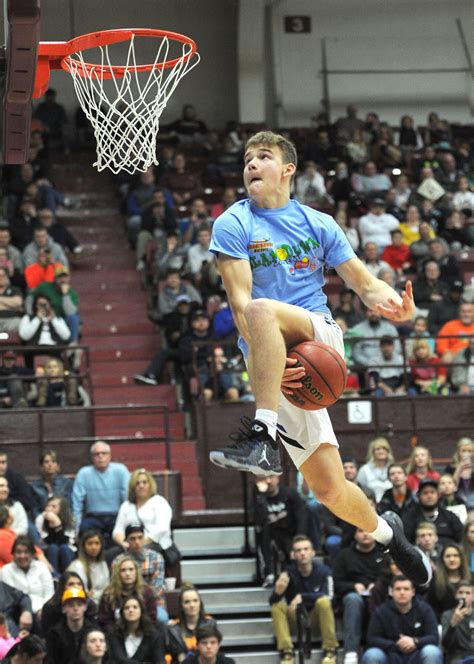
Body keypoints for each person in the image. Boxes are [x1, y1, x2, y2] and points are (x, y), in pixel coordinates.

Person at [208, 130, 431, 589]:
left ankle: (261, 435)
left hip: (318, 339)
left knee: (263, 308)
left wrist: (396, 306)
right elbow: (238, 302)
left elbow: (365, 284)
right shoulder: (233, 223)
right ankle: (392, 535)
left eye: (263, 157)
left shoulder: (319, 223)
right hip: (269, 362)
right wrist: (264, 365)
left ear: (288, 169)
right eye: (248, 159)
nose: (251, 164)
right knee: (328, 489)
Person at [270, 534, 338, 664]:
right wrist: (277, 592)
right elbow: (272, 602)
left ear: (313, 552)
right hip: (295, 618)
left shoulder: (324, 571)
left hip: (316, 619)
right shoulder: (288, 573)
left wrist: (303, 597)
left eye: (306, 549)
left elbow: (331, 598)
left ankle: (330, 650)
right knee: (277, 606)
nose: (302, 553)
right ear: (293, 555)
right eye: (298, 550)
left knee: (323, 602)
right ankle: (287, 653)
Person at [333, 529, 391, 664]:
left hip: (378, 596)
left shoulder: (384, 554)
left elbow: (390, 578)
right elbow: (337, 583)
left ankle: (379, 647)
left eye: (369, 530)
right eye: (360, 530)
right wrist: (353, 586)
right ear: (354, 534)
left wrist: (377, 586)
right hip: (352, 598)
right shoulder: (344, 555)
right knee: (353, 599)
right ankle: (351, 652)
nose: (365, 534)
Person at [361, 575, 442, 664]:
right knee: (372, 655)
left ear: (413, 592)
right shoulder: (381, 612)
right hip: (389, 653)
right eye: (398, 589)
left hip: (417, 653)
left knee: (432, 652)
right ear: (391, 592)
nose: (402, 592)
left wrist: (415, 642)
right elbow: (372, 638)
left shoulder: (425, 609)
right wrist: (396, 645)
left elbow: (434, 637)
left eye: (406, 589)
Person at [253, 475, 307, 588]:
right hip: (271, 535)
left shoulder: (290, 494)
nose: (268, 481)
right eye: (264, 478)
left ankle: (295, 574)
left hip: (290, 532)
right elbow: (259, 519)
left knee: (292, 545)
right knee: (263, 532)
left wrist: (298, 541)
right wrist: (262, 496)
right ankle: (269, 573)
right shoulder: (258, 498)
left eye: (271, 477)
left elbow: (302, 518)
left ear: (277, 478)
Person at [71, 441, 129, 543]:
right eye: (96, 454)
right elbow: (76, 503)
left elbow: (127, 498)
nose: (100, 456)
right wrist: (76, 527)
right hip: (93, 517)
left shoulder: (121, 471)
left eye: (104, 453)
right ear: (92, 457)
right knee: (84, 529)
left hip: (116, 516)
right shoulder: (84, 473)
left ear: (110, 456)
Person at [112, 469, 174, 561]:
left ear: (150, 484)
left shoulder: (159, 502)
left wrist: (141, 542)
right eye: (137, 483)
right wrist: (123, 543)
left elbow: (162, 528)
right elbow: (118, 530)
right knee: (110, 554)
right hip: (130, 545)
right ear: (133, 487)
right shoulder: (126, 506)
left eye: (144, 482)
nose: (141, 486)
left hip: (155, 543)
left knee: (142, 555)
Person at [112, 524, 166, 621]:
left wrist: (139, 604)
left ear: (144, 538)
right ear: (126, 541)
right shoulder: (118, 561)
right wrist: (132, 604)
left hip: (152, 603)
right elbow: (116, 587)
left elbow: (158, 588)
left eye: (140, 538)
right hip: (125, 605)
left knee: (162, 618)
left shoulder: (156, 558)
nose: (137, 542)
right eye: (132, 539)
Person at [0, 536, 54, 620]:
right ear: (13, 554)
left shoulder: (41, 567)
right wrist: (28, 611)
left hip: (43, 611)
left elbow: (49, 594)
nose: (22, 556)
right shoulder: (5, 571)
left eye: (26, 552)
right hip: (19, 613)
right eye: (18, 552)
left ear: (32, 554)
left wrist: (43, 610)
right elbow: (11, 599)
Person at [97, 556, 156, 630]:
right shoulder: (108, 594)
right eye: (123, 570)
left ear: (136, 572)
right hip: (115, 635)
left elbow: (151, 617)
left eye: (131, 570)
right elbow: (104, 621)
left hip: (141, 632)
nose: (127, 573)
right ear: (117, 573)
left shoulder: (146, 592)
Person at [403, 479, 464, 545]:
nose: (429, 496)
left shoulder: (449, 516)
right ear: (419, 496)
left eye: (432, 492)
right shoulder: (410, 517)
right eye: (425, 493)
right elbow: (406, 542)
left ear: (438, 495)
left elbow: (461, 538)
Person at [106, 596, 166, 663]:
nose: (131, 610)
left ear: (141, 611)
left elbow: (160, 661)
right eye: (127, 608)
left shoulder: (153, 635)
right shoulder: (114, 633)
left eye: (135, 607)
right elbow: (118, 659)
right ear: (122, 613)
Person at [29, 266, 80, 344]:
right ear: (55, 278)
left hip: (60, 320)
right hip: (42, 317)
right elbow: (30, 298)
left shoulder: (72, 294)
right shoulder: (45, 286)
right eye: (60, 277)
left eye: (65, 277)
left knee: (74, 318)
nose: (63, 280)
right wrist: (31, 314)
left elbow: (70, 313)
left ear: (69, 278)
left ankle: (72, 346)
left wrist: (65, 295)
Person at [45, 587, 97, 664]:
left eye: (79, 605)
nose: (75, 608)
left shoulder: (94, 631)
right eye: (71, 605)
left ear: (85, 607)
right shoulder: (54, 634)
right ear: (63, 609)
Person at [166, 584, 215, 664]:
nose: (192, 605)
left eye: (195, 600)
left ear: (200, 603)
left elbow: (212, 653)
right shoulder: (173, 628)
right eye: (187, 602)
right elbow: (180, 657)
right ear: (181, 606)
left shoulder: (210, 623)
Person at [41, 571, 97, 635]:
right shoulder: (50, 607)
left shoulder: (90, 605)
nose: (76, 587)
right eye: (71, 584)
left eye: (79, 584)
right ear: (62, 587)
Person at [425, 544, 471, 620]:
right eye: (448, 556)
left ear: (461, 558)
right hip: (444, 624)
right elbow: (432, 609)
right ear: (442, 559)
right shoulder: (435, 582)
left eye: (456, 555)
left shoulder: (471, 578)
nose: (452, 559)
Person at [34, 496, 75, 575]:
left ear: (62, 509)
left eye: (53, 506)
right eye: (48, 506)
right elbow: (46, 541)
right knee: (53, 547)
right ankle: (54, 576)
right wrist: (54, 525)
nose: (49, 509)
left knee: (64, 548)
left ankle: (69, 576)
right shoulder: (40, 519)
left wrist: (58, 526)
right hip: (47, 549)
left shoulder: (71, 519)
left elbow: (65, 541)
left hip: (67, 549)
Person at [67, 531, 109, 603]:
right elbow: (82, 593)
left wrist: (95, 594)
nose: (94, 547)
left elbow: (107, 589)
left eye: (97, 543)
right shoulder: (77, 566)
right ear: (83, 546)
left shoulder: (103, 564)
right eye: (90, 544)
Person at [30, 450, 73, 518]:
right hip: (42, 521)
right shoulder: (34, 486)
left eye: (53, 461)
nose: (50, 464)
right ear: (41, 467)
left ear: (58, 466)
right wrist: (40, 520)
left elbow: (69, 507)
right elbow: (34, 509)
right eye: (46, 462)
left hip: (62, 521)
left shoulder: (66, 484)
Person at [441, 580, 474, 664]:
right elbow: (445, 645)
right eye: (460, 592)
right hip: (456, 657)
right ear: (456, 595)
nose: (463, 596)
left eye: (467, 593)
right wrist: (453, 624)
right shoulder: (447, 615)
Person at [357, 438, 394, 503]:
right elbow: (360, 490)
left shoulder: (393, 469)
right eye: (378, 449)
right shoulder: (365, 470)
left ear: (388, 452)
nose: (381, 451)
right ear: (372, 452)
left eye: (384, 448)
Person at [444, 438, 473, 510]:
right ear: (458, 452)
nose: (467, 454)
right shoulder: (450, 469)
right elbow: (450, 487)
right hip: (457, 505)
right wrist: (459, 468)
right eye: (463, 451)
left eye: (470, 451)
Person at [0, 269, 23, 336]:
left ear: (7, 277)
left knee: (19, 323)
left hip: (12, 320)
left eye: (2, 275)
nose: (0, 278)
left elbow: (18, 303)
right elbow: (15, 306)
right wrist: (10, 305)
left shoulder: (15, 289)